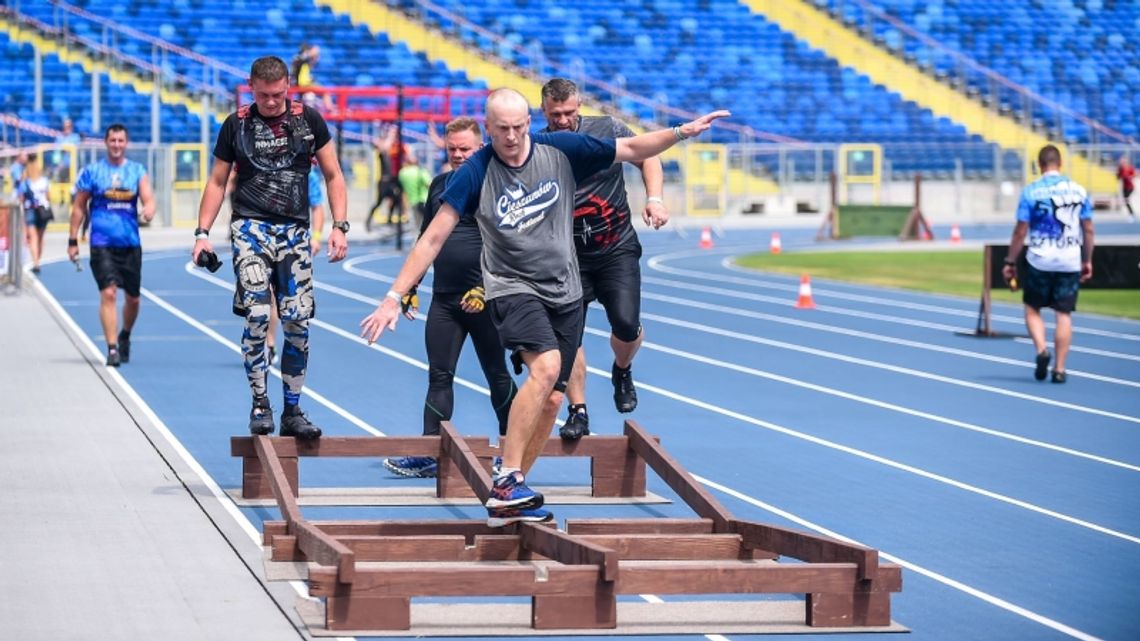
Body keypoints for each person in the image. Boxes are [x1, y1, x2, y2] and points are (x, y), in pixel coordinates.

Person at [360, 87, 729, 526]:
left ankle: (510, 493)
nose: (513, 138)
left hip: (566, 290)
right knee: (547, 366)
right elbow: (433, 237)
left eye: (519, 127)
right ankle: (507, 478)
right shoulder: (475, 172)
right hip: (512, 287)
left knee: (553, 403)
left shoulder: (560, 149)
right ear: (488, 129)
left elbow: (632, 148)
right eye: (502, 130)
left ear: (528, 123)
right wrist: (393, 295)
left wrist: (681, 132)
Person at [192, 55, 349, 439]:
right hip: (250, 228)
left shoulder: (308, 121)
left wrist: (339, 226)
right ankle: (260, 403)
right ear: (251, 87)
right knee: (258, 317)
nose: (272, 102)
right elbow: (216, 181)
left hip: (294, 232)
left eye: (278, 95)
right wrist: (201, 233)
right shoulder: (237, 125)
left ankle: (292, 410)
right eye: (264, 96)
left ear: (288, 88)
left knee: (297, 322)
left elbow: (333, 175)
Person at [383, 117, 517, 479]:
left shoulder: (498, 184)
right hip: (445, 300)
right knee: (439, 376)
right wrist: (410, 286)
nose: (458, 156)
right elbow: (427, 238)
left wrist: (488, 288)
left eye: (465, 149)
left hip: (486, 300)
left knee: (497, 375)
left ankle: (513, 453)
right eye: (452, 149)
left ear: (481, 146)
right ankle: (430, 453)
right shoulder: (440, 184)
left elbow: (512, 247)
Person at [539, 78, 668, 440]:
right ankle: (578, 412)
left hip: (616, 249)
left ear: (579, 106)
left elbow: (648, 154)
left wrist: (654, 198)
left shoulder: (606, 128)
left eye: (568, 112)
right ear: (543, 112)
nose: (563, 120)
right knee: (570, 337)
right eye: (555, 114)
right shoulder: (539, 144)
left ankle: (622, 369)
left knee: (626, 324)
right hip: (567, 258)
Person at [1002, 144, 1094, 384]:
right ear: (1060, 164)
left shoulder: (1031, 192)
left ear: (1040, 165)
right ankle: (1060, 369)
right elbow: (1089, 229)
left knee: (1032, 309)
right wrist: (1087, 259)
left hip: (1039, 259)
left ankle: (1042, 350)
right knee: (1064, 314)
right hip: (1070, 260)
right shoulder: (1079, 191)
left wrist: (1010, 260)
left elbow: (1020, 231)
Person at [67, 124, 156, 367]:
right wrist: (73, 239)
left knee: (133, 299)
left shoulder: (137, 171)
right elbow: (78, 207)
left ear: (126, 143)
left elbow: (149, 199)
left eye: (120, 141)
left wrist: (149, 210)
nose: (116, 145)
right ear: (106, 143)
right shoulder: (92, 172)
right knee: (108, 293)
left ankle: (124, 335)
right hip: (101, 243)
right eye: (112, 140)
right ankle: (112, 348)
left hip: (130, 244)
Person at [267, 161, 327, 364]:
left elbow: (317, 208)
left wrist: (316, 237)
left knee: (285, 301)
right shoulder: (263, 167)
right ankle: (268, 343)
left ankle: (277, 345)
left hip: (294, 245)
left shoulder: (307, 175)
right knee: (264, 298)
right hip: (263, 241)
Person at [366, 126, 405, 232]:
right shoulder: (381, 152)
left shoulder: (388, 152)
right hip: (383, 181)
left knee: (396, 200)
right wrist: (391, 134)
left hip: (391, 181)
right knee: (379, 202)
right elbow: (383, 144)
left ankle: (389, 220)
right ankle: (368, 221)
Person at [18, 154, 53, 274]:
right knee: (40, 237)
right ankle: (38, 259)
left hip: (30, 209)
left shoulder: (25, 182)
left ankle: (36, 262)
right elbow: (49, 197)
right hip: (43, 210)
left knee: (33, 237)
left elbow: (21, 198)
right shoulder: (44, 181)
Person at [397, 152, 431, 231]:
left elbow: (403, 192)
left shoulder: (402, 173)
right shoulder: (420, 171)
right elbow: (430, 185)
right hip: (424, 201)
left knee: (417, 228)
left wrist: (405, 210)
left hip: (412, 202)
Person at [1117, 155, 1135, 221]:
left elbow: (1133, 175)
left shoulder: (1129, 168)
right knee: (1126, 201)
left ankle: (1131, 214)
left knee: (1126, 200)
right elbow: (1118, 177)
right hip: (1124, 187)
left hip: (1130, 187)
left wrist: (1129, 177)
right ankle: (1131, 214)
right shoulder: (1121, 169)